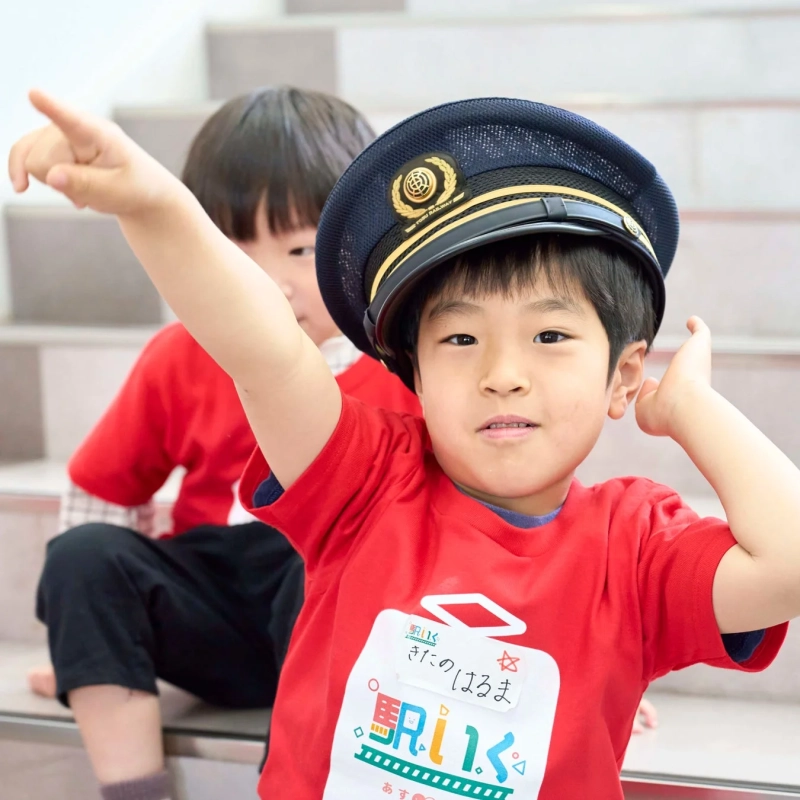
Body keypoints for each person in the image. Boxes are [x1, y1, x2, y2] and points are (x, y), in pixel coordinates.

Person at [10, 92, 790, 800]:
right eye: (459, 337)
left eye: (550, 334)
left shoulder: (636, 550)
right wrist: (154, 205)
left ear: (624, 376)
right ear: (413, 373)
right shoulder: (366, 481)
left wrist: (693, 410)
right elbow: (265, 349)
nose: (502, 374)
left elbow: (786, 566)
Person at [24, 87, 420, 800]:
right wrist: (97, 644)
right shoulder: (181, 355)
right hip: (213, 606)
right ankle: (135, 791)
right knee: (82, 557)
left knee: (335, 554)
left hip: (341, 625)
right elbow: (103, 491)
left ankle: (296, 779)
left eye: (301, 249)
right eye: (232, 253)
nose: (269, 284)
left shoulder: (407, 361)